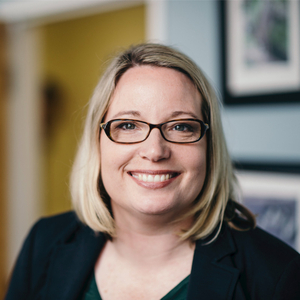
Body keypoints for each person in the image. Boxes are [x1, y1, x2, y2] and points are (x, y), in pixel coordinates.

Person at [5, 43, 300, 300]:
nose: (155, 151)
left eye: (181, 126)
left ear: (210, 148)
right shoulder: (43, 242)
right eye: (128, 126)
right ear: (98, 143)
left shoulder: (278, 275)